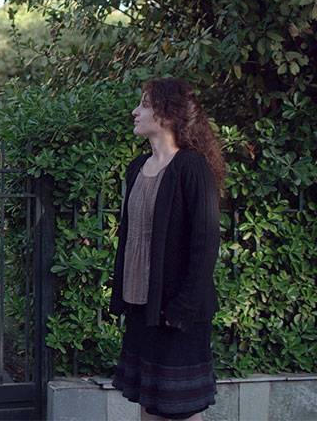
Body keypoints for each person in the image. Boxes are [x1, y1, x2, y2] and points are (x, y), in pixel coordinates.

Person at [109, 78, 226, 421]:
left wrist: (183, 308)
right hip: (142, 308)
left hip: (178, 314)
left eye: (145, 104)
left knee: (181, 408)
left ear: (168, 115)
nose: (136, 111)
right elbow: (131, 238)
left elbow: (205, 245)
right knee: (150, 402)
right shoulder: (136, 168)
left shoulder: (191, 167)